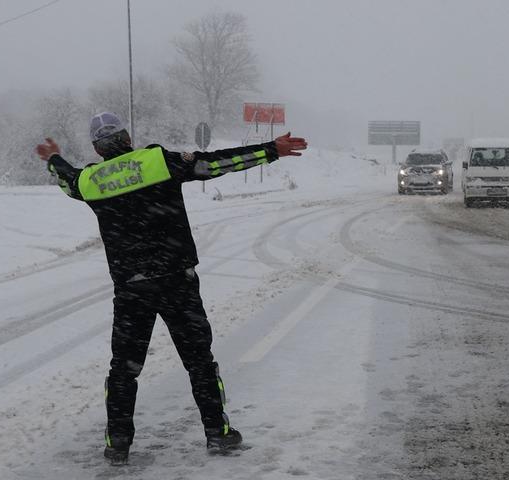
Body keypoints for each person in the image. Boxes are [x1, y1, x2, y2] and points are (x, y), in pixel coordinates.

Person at [35, 112, 307, 465]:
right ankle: (218, 433)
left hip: (132, 288)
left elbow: (68, 179)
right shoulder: (157, 161)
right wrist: (271, 150)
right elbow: (215, 164)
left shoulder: (91, 181)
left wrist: (53, 157)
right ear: (127, 138)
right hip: (177, 280)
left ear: (97, 149)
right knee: (199, 361)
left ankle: (118, 444)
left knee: (124, 369)